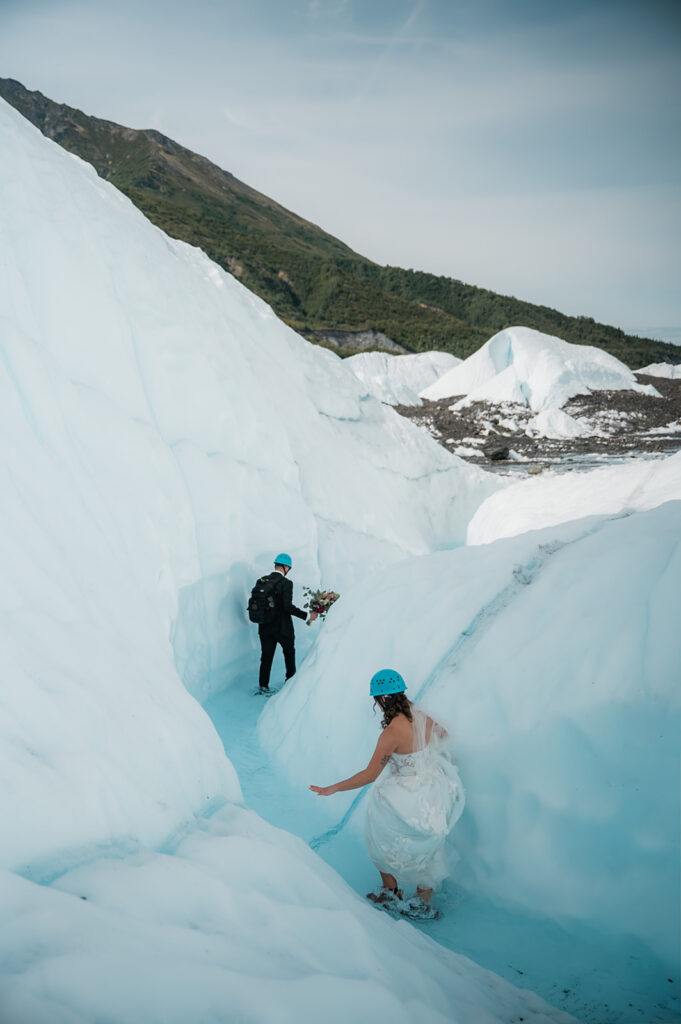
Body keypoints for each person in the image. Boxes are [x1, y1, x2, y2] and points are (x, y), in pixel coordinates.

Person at [310, 669, 464, 916]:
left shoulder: (391, 734)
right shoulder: (422, 716)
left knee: (379, 838)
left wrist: (334, 787)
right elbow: (444, 735)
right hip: (434, 790)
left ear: (382, 699)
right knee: (428, 846)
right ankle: (423, 902)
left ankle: (390, 893)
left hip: (405, 795)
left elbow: (370, 775)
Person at [257, 553, 317, 693]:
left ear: (275, 565)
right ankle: (291, 684)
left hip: (264, 627)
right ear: (286, 567)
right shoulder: (286, 583)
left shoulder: (261, 581)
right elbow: (287, 607)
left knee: (266, 657)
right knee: (289, 654)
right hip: (283, 628)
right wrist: (307, 615)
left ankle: (263, 686)